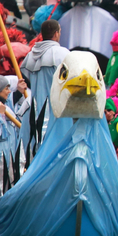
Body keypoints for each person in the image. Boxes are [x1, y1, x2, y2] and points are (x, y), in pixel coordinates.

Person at [19, 18, 70, 155]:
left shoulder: (31, 55)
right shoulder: (62, 53)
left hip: (35, 105)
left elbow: (27, 75)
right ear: (56, 33)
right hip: (57, 107)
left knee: (38, 144)